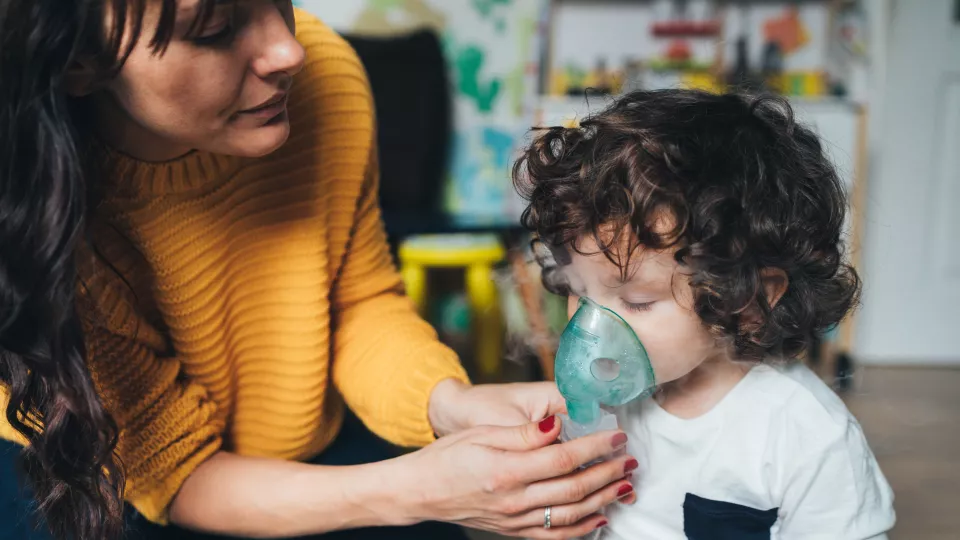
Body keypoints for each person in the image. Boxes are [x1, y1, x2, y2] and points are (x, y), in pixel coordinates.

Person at [0, 1, 640, 539]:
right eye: (216, 30)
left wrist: (452, 405)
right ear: (80, 61)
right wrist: (413, 489)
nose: (288, 50)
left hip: (301, 444)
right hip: (86, 480)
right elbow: (179, 472)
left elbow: (356, 303)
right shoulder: (35, 213)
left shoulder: (325, 78)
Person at [514, 89, 896, 539]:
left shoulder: (806, 435)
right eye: (578, 291)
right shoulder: (610, 404)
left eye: (636, 301)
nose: (590, 330)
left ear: (746, 298)